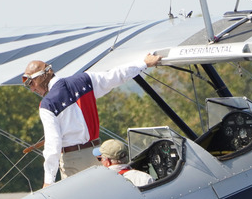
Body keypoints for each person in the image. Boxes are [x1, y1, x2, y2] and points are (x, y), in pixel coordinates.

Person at [22, 53, 161, 188]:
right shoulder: (84, 80)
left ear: (42, 78)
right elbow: (116, 75)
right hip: (98, 155)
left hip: (73, 160)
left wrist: (48, 180)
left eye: (32, 83)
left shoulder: (47, 105)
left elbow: (53, 144)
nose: (33, 89)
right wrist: (144, 63)